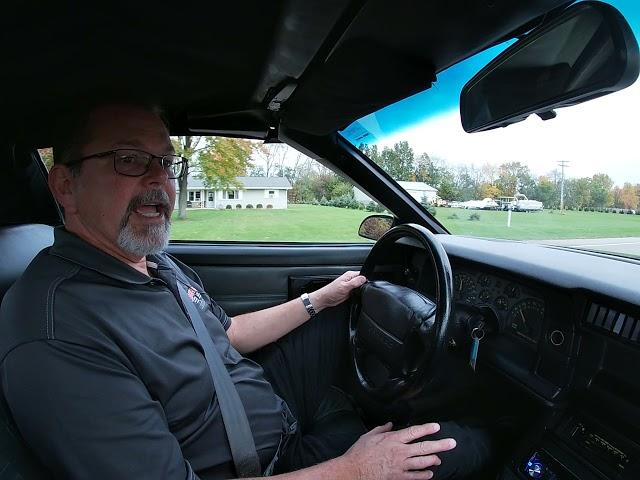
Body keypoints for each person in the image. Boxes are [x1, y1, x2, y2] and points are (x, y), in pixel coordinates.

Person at [0, 103, 461, 479]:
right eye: (130, 159)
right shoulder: (57, 333)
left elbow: (227, 333)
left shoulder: (152, 263)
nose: (160, 180)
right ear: (65, 185)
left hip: (265, 410)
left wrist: (319, 299)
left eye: (165, 161)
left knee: (345, 313)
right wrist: (356, 470)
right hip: (260, 465)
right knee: (468, 446)